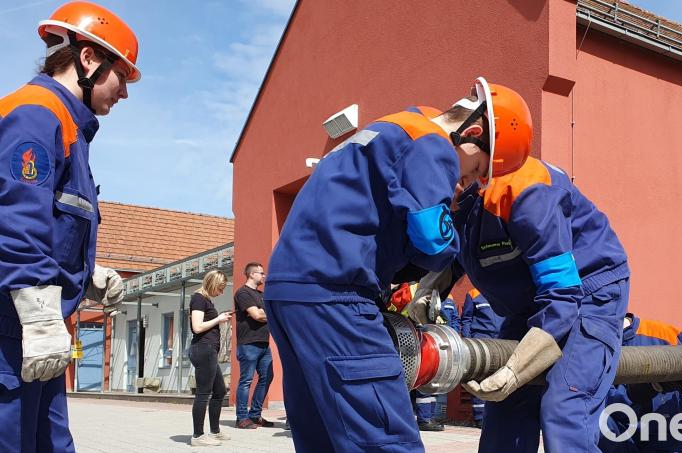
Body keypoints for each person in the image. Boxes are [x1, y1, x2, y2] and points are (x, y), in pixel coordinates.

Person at [263, 78, 532, 453]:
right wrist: (452, 228)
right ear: (472, 133)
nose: (464, 183)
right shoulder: (431, 143)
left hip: (288, 293)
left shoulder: (391, 128)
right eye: (473, 171)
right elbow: (430, 239)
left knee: (321, 436)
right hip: (337, 294)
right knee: (387, 440)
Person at [416, 145, 630, 450]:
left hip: (588, 293)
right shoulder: (464, 203)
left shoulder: (528, 191)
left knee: (565, 407)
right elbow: (460, 252)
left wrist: (517, 369)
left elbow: (562, 294)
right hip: (533, 303)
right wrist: (429, 289)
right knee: (505, 411)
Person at [0, 2, 137, 450]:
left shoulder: (69, 126)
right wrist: (39, 316)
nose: (125, 92)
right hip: (15, 329)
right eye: (122, 76)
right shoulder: (36, 112)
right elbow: (13, 221)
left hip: (36, 332)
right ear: (89, 60)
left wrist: (84, 275)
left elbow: (53, 223)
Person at [598, 314, 682, 453]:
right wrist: (632, 394)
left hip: (667, 439)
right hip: (615, 439)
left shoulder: (663, 334)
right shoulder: (585, 344)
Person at [188, 270, 233, 447]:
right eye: (220, 289)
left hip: (208, 351)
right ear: (212, 284)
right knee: (203, 394)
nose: (221, 292)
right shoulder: (198, 298)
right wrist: (219, 319)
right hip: (203, 349)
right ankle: (198, 436)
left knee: (220, 391)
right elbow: (197, 327)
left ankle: (215, 431)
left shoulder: (205, 300)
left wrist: (220, 318)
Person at [234, 262, 275, 429]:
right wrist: (266, 314)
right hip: (248, 343)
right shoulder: (243, 293)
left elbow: (269, 313)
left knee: (267, 377)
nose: (264, 276)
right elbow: (257, 315)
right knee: (246, 380)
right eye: (261, 273)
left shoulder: (261, 294)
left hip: (264, 344)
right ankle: (241, 418)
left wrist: (266, 313)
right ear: (251, 274)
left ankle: (255, 415)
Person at [459, 288, 504, 428]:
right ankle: (480, 417)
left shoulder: (503, 291)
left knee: (500, 375)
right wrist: (468, 341)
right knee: (480, 377)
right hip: (481, 339)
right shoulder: (473, 293)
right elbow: (466, 318)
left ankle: (497, 415)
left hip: (501, 340)